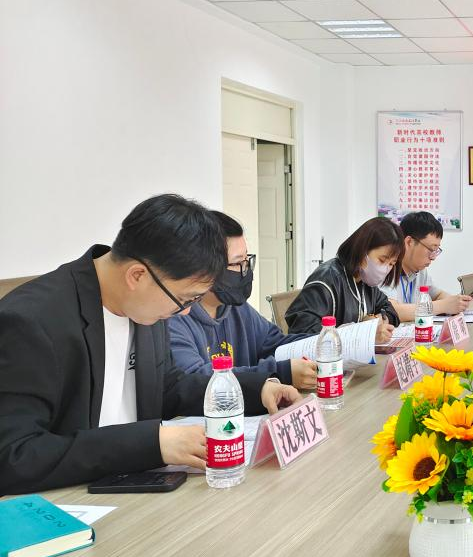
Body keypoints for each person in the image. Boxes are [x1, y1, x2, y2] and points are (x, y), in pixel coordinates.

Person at [0, 195, 300, 495]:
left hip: (138, 490)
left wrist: (255, 390)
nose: (185, 312)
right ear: (137, 275)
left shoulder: (144, 305)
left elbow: (169, 387)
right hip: (65, 504)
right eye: (183, 300)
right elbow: (13, 456)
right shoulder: (32, 321)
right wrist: (152, 443)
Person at [167, 212, 318, 392]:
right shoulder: (174, 317)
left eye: (247, 261)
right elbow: (197, 380)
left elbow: (275, 343)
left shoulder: (236, 309)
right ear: (205, 268)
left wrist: (325, 341)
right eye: (238, 263)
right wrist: (280, 372)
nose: (245, 271)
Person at [285, 217, 401, 342]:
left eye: (391, 264)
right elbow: (302, 330)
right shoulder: (327, 280)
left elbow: (390, 310)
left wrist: (378, 320)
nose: (385, 269)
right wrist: (363, 333)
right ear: (362, 250)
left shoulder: (365, 282)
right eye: (382, 260)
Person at [379, 211, 471, 322]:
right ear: (409, 242)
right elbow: (392, 311)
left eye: (436, 250)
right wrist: (443, 306)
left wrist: (457, 303)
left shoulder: (420, 270)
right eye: (431, 249)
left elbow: (437, 295)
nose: (433, 257)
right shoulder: (387, 268)